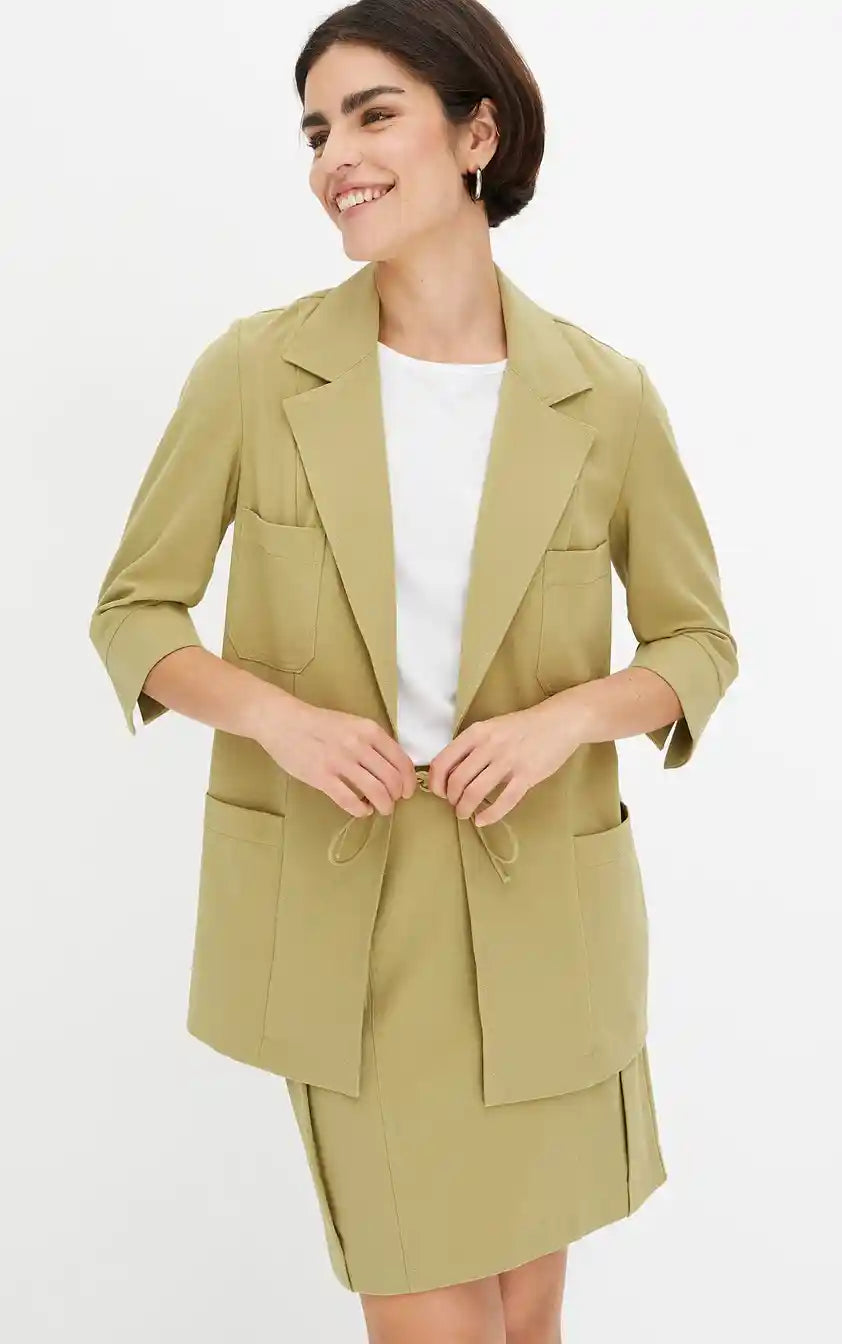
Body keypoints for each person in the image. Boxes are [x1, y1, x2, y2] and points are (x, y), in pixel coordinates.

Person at [89, 1, 739, 1339]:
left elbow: (698, 644)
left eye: (373, 114)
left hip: (545, 917)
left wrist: (568, 720)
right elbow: (135, 612)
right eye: (317, 129)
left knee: (526, 1320)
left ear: (476, 134)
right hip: (354, 917)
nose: (336, 154)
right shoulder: (257, 372)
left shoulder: (604, 395)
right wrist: (280, 719)